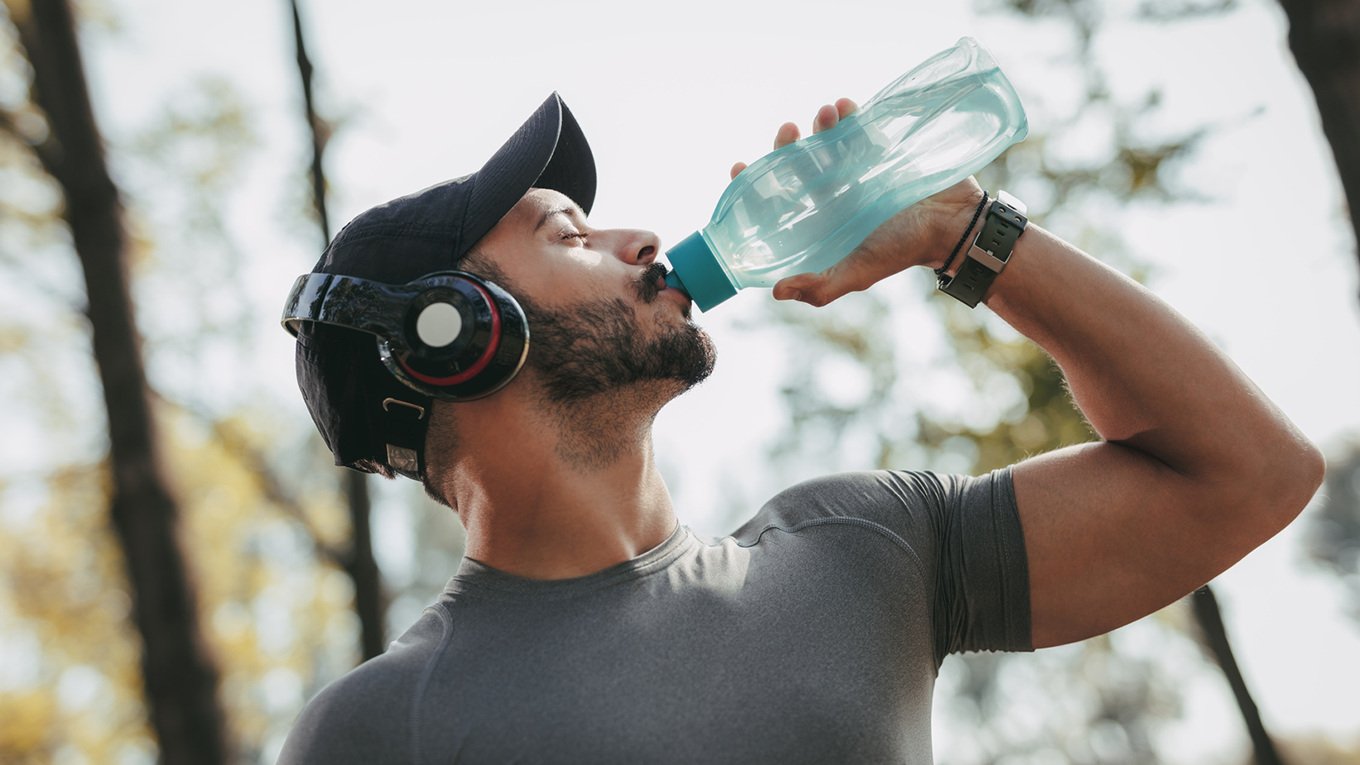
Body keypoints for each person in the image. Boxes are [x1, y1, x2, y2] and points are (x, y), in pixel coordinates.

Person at [277, 92, 1324, 764]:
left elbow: (1249, 472)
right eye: (573, 235)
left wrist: (964, 236)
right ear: (451, 337)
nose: (641, 237)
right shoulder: (382, 729)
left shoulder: (867, 551)